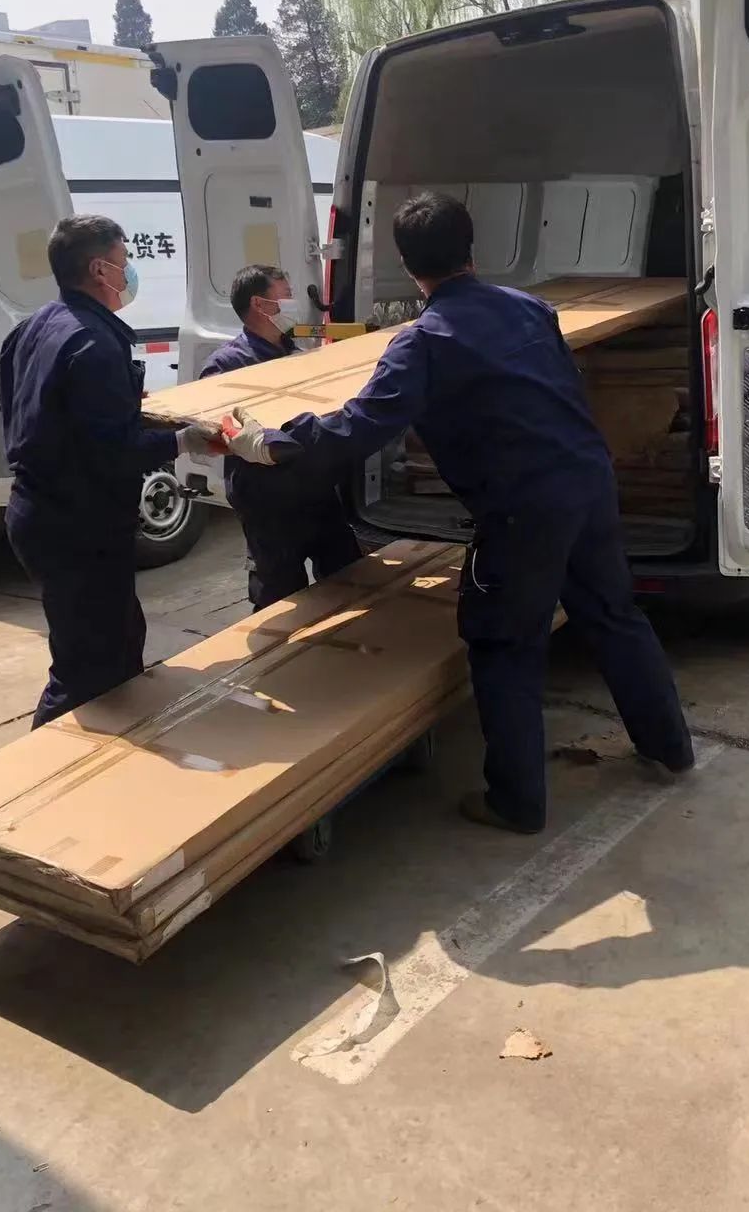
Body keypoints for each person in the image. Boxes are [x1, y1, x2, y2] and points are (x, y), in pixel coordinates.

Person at [226, 192, 694, 833]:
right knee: (615, 615)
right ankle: (670, 747)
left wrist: (272, 443)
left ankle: (517, 802)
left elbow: (361, 426)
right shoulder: (530, 309)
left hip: (522, 510)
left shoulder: (423, 343)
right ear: (472, 248)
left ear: (406, 263)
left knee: (504, 644)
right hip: (587, 483)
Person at [0, 214, 225, 728]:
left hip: (40, 512)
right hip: (78, 527)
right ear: (101, 269)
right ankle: (44, 768)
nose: (130, 272)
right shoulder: (94, 344)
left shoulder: (33, 327)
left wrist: (133, 414)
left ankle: (113, 752)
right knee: (86, 670)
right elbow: (113, 452)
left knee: (120, 645)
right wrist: (181, 440)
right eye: (126, 260)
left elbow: (31, 412)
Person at [199, 264, 360, 609]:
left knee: (347, 577)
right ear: (260, 305)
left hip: (315, 489)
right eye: (286, 296)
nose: (293, 303)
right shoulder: (227, 365)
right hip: (268, 500)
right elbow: (218, 432)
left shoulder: (296, 355)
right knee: (280, 595)